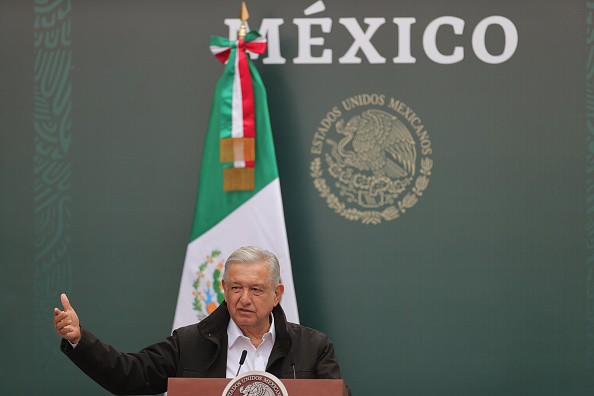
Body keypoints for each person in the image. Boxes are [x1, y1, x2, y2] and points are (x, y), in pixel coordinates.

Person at [54, 246, 349, 395]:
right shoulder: (191, 343)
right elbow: (130, 375)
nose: (244, 298)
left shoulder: (313, 346)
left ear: (277, 294)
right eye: (236, 287)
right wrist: (79, 339)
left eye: (256, 289)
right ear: (224, 289)